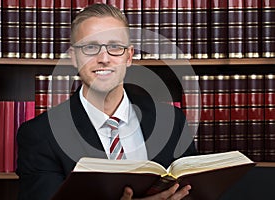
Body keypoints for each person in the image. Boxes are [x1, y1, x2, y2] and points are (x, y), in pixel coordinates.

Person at [16, 3, 197, 200]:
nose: (104, 58)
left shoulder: (171, 121)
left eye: (115, 47)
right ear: (74, 58)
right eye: (90, 47)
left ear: (129, 56)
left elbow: (193, 194)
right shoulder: (40, 135)